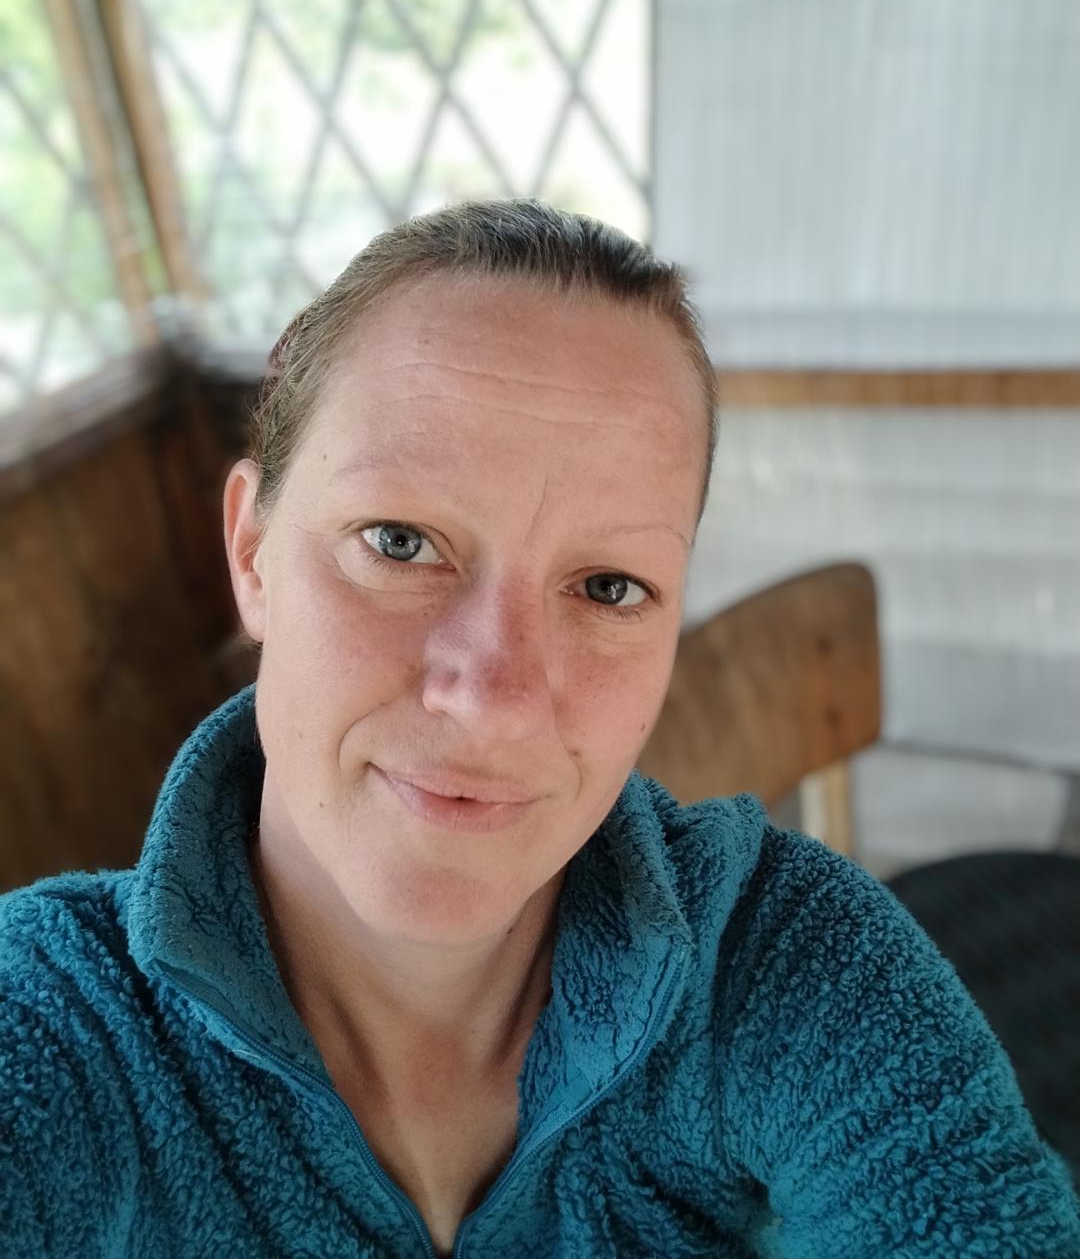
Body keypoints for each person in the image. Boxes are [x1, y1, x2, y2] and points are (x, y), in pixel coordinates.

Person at [1, 199, 1078, 1258]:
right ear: (252, 553)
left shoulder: (780, 967)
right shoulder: (58, 1022)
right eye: (399, 541)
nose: (496, 696)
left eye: (608, 586)